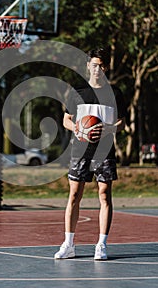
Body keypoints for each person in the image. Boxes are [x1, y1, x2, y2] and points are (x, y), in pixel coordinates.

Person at [54, 48, 126, 260]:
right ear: (88, 66)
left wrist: (109, 128)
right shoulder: (77, 92)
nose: (97, 69)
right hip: (80, 150)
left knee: (104, 195)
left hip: (104, 151)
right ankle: (69, 244)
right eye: (94, 65)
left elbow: (122, 123)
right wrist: (76, 128)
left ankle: (101, 245)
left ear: (106, 67)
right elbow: (66, 119)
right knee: (75, 195)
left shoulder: (115, 93)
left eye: (101, 66)